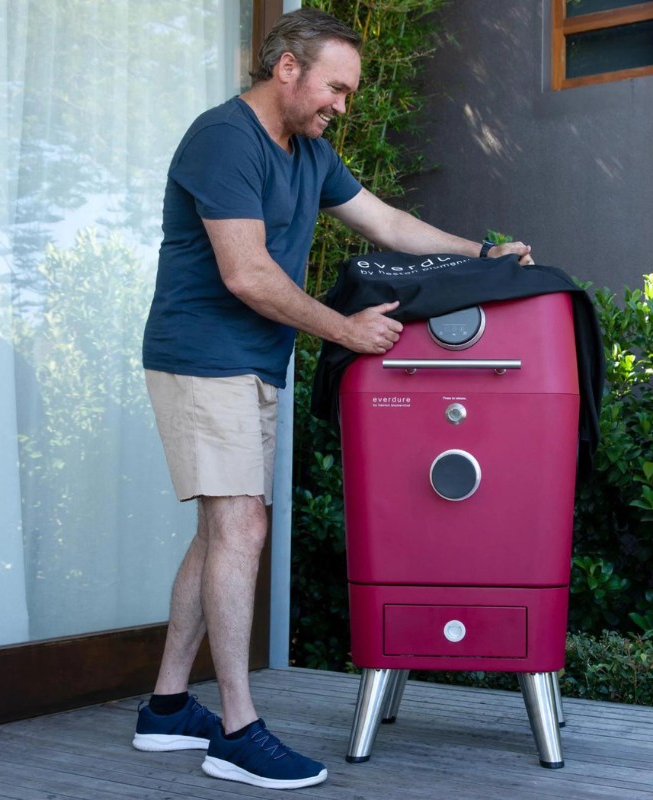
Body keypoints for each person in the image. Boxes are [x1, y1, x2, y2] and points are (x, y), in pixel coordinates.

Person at [135, 7, 533, 792]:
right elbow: (246, 273)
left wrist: (479, 252)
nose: (341, 106)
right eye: (335, 88)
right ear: (286, 67)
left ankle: (169, 708)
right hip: (201, 356)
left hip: (254, 362)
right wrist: (344, 333)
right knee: (240, 521)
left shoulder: (308, 151)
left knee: (221, 528)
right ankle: (238, 732)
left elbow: (383, 221)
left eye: (348, 94)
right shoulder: (224, 138)